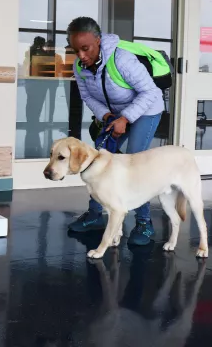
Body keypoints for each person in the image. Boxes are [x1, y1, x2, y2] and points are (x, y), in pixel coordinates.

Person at [66, 16, 164, 246]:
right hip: (115, 114)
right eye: (75, 49)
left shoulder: (121, 59)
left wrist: (126, 118)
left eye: (86, 48)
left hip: (146, 109)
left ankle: (144, 222)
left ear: (98, 41)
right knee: (97, 159)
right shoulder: (79, 66)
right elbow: (87, 95)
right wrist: (107, 116)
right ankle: (95, 216)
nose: (81, 55)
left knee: (136, 160)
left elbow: (150, 92)